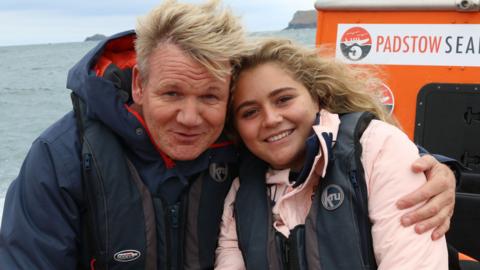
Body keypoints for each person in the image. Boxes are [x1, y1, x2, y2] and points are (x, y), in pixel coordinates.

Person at [0, 0, 455, 269]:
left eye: (210, 97)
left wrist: (435, 168)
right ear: (139, 84)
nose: (191, 117)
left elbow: (340, 142)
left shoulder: (241, 142)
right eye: (172, 92)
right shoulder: (62, 158)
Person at [215, 39, 448, 269]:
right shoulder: (240, 188)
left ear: (316, 98)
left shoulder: (377, 149)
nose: (271, 119)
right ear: (236, 127)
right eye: (250, 112)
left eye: (284, 99)